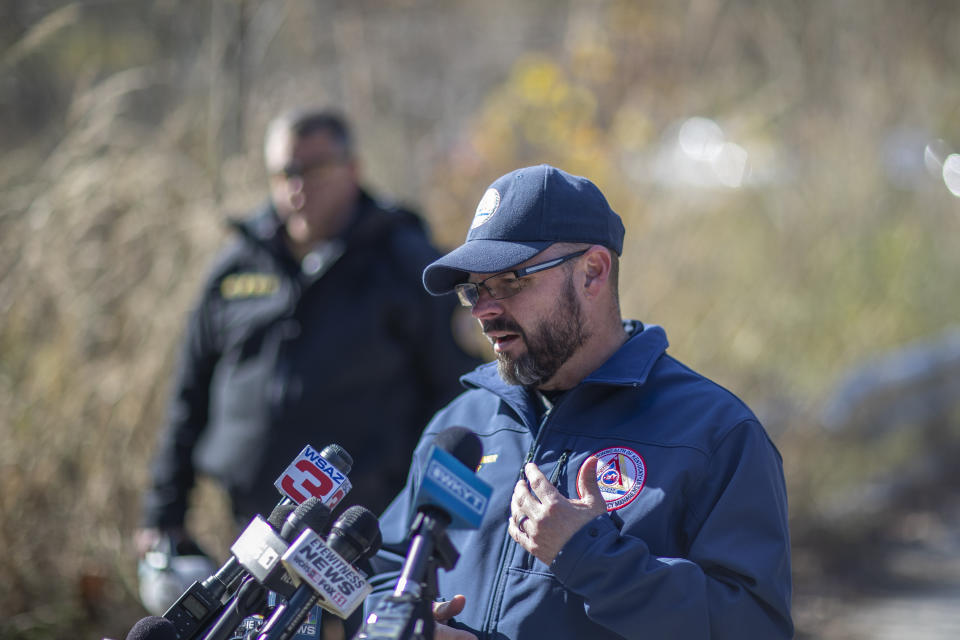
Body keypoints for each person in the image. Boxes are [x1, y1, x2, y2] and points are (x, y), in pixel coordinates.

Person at [367, 164, 793, 639]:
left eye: (509, 281)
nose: (485, 310)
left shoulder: (714, 434)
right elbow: (387, 567)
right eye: (475, 289)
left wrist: (589, 557)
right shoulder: (464, 425)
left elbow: (753, 627)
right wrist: (412, 622)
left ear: (593, 272)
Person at [137, 108, 480, 556]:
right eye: (285, 173)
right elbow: (189, 394)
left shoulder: (405, 263)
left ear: (353, 169)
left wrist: (442, 526)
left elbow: (457, 398)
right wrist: (163, 514)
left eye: (314, 170)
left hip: (371, 533)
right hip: (250, 530)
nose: (297, 187)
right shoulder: (237, 265)